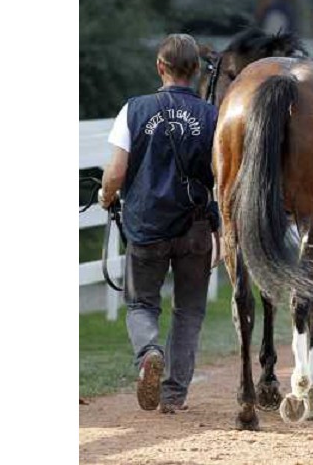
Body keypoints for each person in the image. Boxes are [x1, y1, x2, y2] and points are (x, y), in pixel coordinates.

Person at [98, 34, 220, 414]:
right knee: (189, 310)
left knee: (140, 303)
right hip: (195, 227)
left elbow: (115, 173)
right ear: (197, 71)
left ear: (160, 67)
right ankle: (173, 395)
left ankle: (150, 351)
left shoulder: (133, 110)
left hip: (146, 226)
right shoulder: (213, 116)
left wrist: (105, 197)